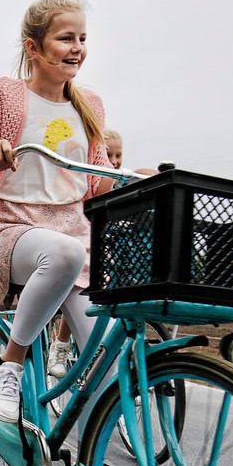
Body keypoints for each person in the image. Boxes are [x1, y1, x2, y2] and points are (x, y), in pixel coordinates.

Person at [0, 0, 126, 466]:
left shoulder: (90, 105)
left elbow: (96, 182)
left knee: (102, 363)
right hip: (13, 228)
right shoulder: (9, 95)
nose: (76, 48)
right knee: (64, 252)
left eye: (81, 39)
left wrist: (123, 182)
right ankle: (8, 370)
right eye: (65, 38)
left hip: (74, 234)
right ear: (33, 47)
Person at [46, 126, 157, 377]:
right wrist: (137, 174)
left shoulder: (121, 179)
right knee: (81, 286)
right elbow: (105, 188)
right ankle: (61, 344)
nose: (116, 162)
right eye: (109, 156)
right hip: (85, 243)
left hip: (112, 248)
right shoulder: (97, 178)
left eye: (119, 156)